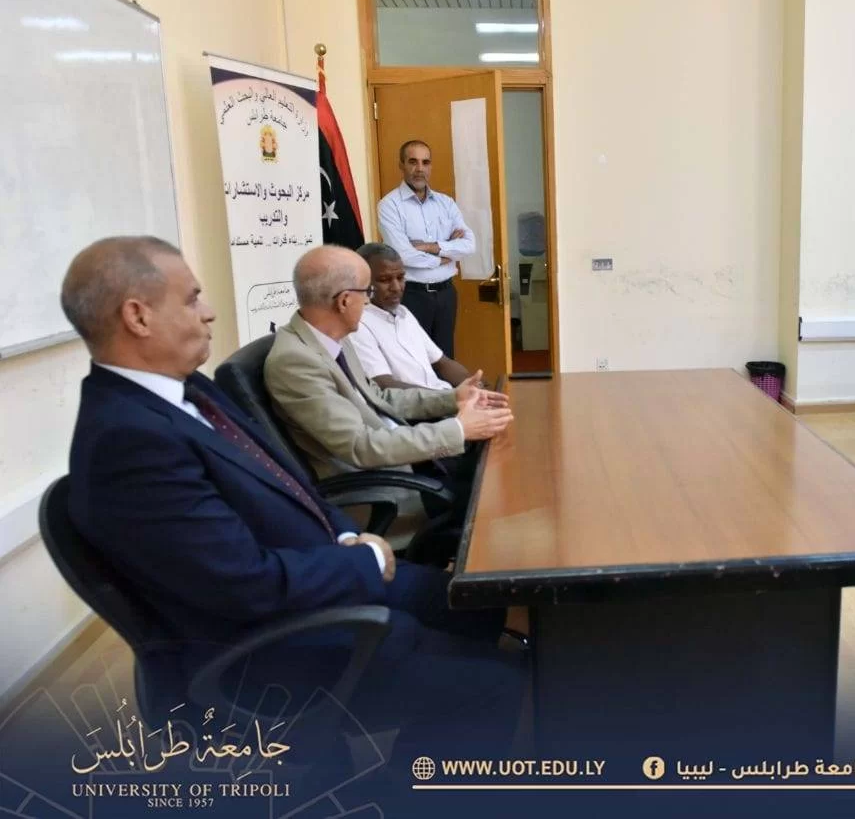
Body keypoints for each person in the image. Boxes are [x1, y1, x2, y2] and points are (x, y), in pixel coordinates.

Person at [60, 235, 524, 759]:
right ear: (138, 317)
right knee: (494, 688)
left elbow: (289, 483)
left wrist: (346, 536)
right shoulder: (129, 441)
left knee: (475, 606)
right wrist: (365, 561)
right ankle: (412, 787)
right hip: (274, 646)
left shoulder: (187, 391)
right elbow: (243, 588)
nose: (209, 313)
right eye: (191, 299)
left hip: (315, 568)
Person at [263, 245, 511, 481]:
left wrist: (452, 398)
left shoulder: (333, 339)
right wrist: (458, 429)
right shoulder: (295, 362)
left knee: (500, 454)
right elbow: (360, 446)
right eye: (366, 293)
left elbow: (380, 398)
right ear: (344, 301)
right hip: (383, 480)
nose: (368, 302)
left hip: (403, 452)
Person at [376, 140, 475, 358]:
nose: (420, 168)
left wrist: (429, 246)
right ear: (401, 165)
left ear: (430, 166)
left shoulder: (446, 203)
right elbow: (403, 255)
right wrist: (444, 256)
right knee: (414, 360)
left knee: (445, 359)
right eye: (413, 162)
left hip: (446, 294)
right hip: (412, 296)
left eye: (425, 162)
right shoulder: (389, 205)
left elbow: (469, 244)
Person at [348, 242, 474, 391]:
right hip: (418, 403)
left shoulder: (404, 314)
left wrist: (475, 386)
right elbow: (384, 385)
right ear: (362, 282)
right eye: (384, 280)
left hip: (441, 396)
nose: (396, 288)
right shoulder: (358, 325)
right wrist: (449, 398)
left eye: (400, 277)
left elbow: (443, 363)